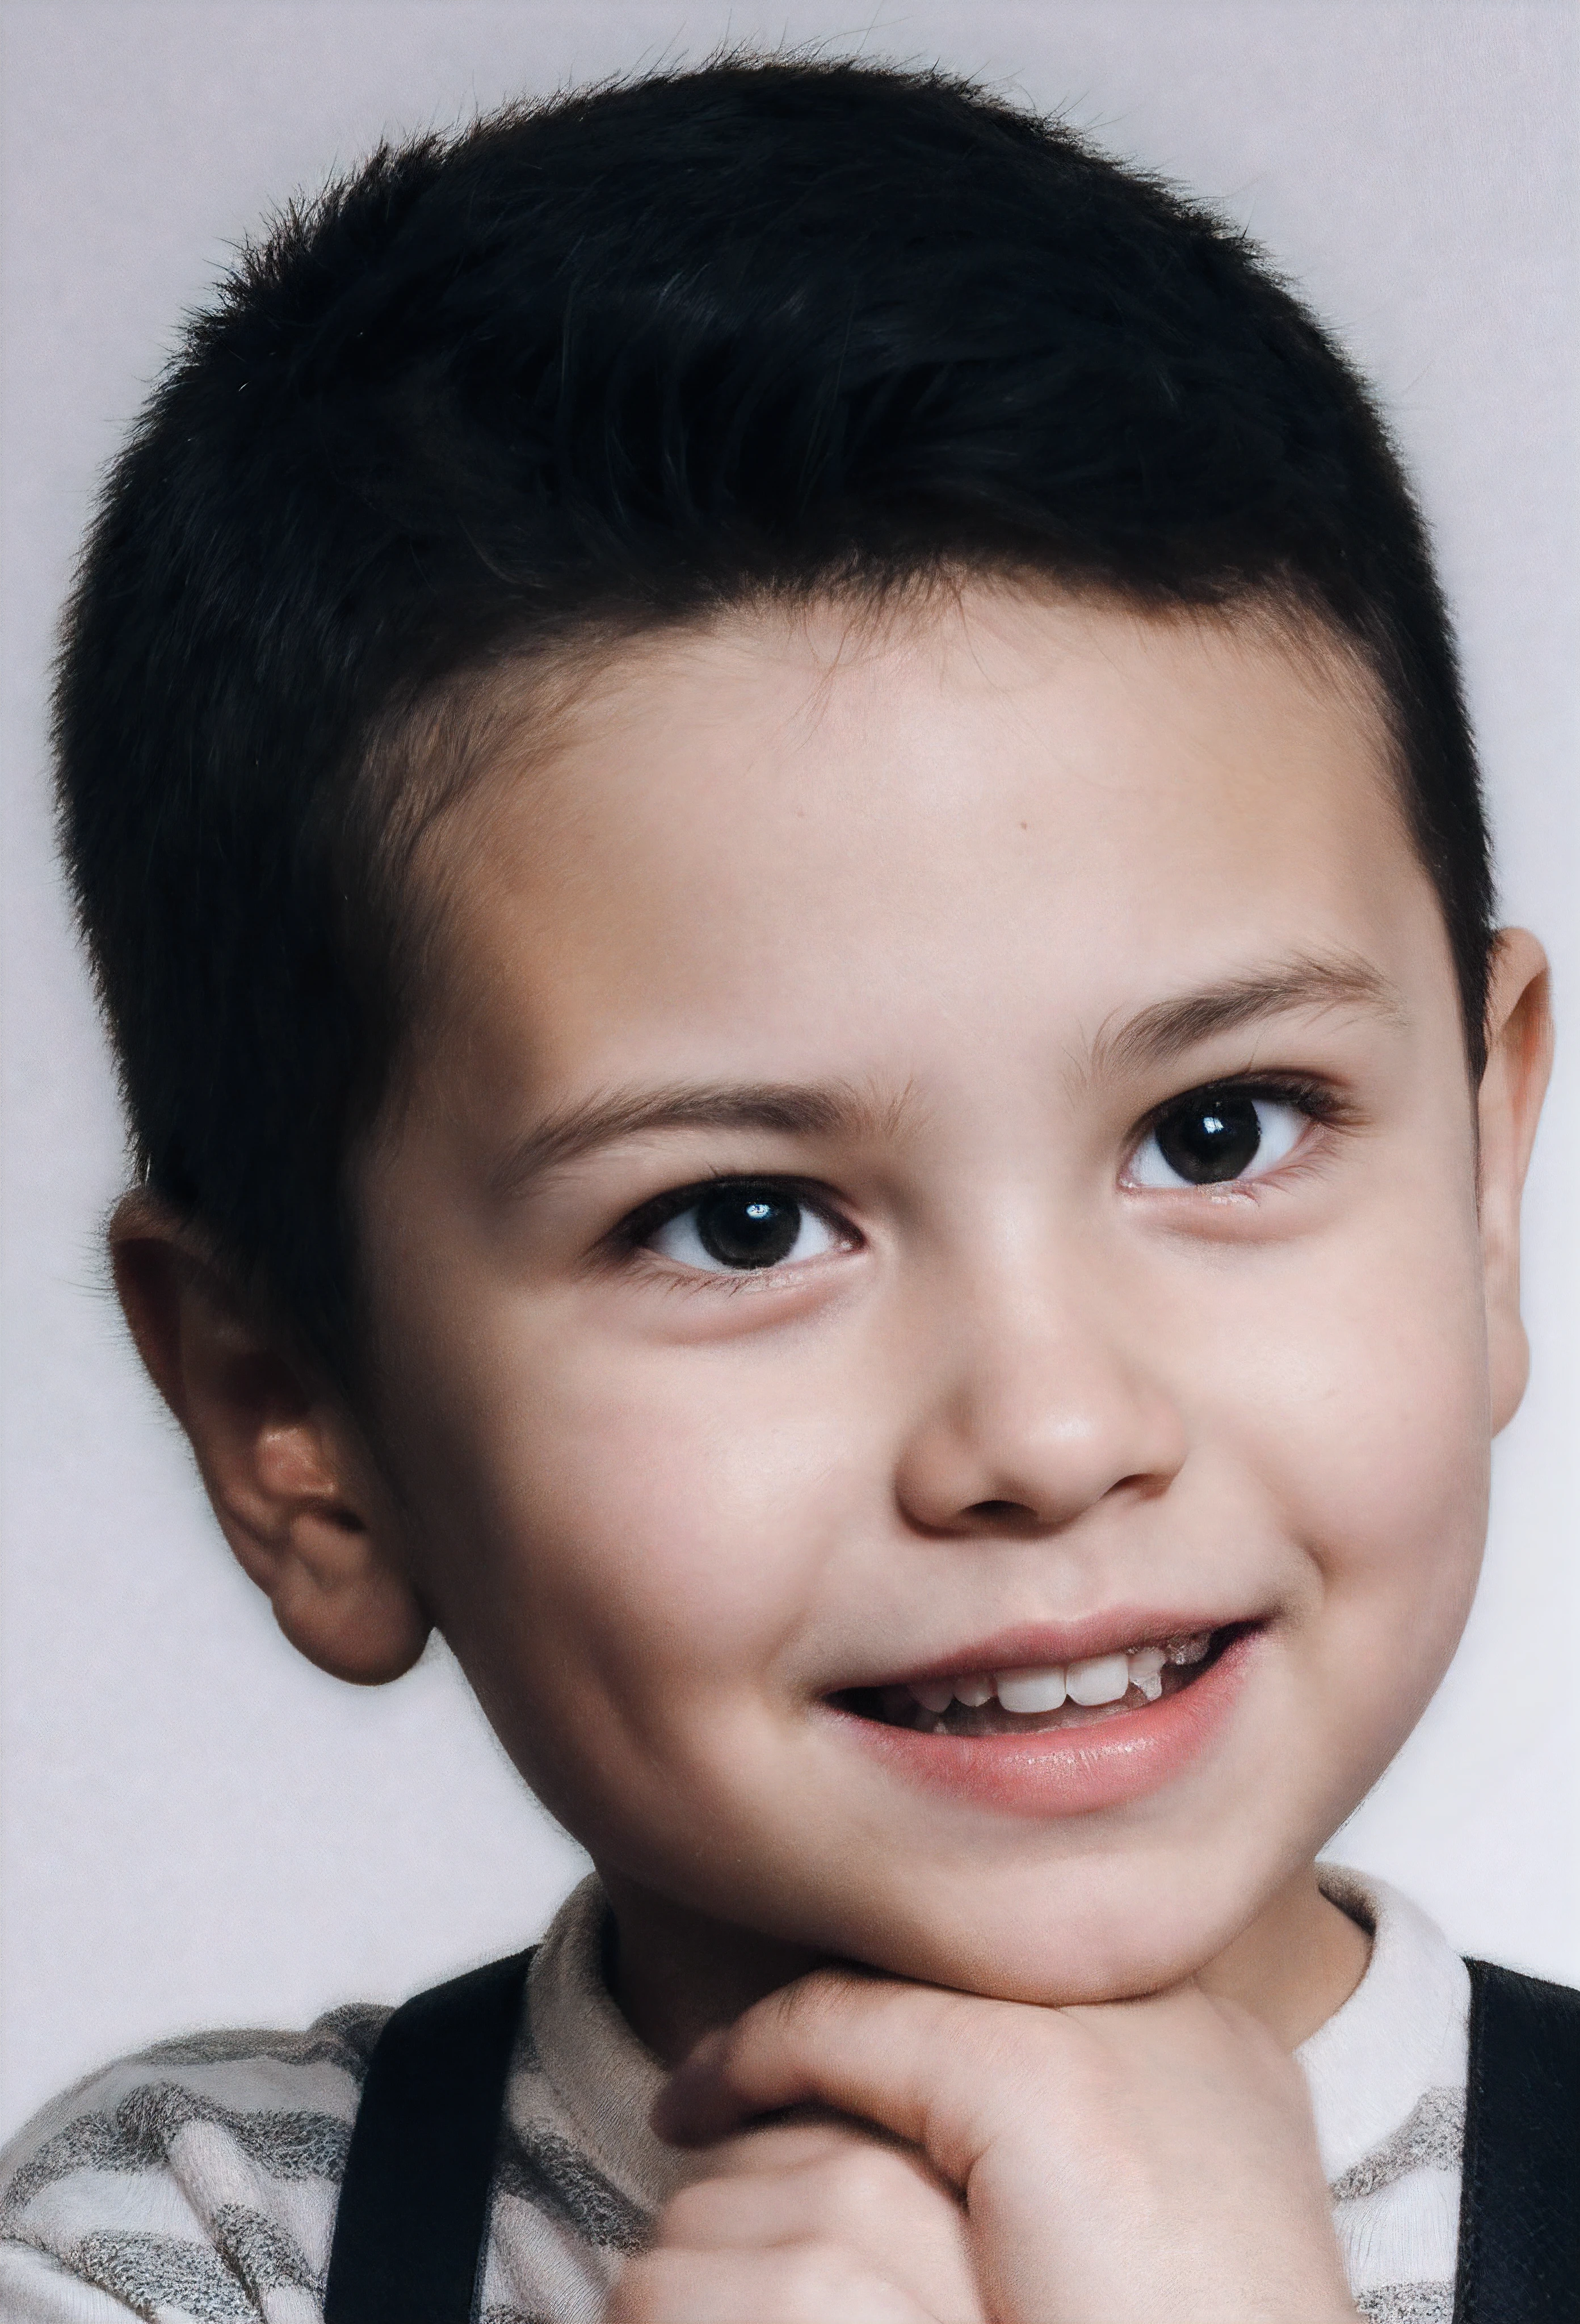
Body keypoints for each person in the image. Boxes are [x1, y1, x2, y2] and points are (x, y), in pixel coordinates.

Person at [0, 52, 1573, 2324]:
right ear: (293, 1419)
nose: (1046, 1433)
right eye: (738, 1220)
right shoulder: (186, 2254)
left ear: (1488, 1183)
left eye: (1219, 1129)